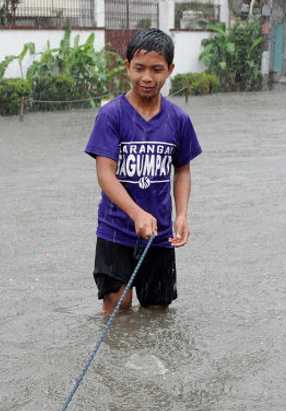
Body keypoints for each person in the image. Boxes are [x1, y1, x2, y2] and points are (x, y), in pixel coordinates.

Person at [84, 28, 202, 314]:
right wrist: (136, 213)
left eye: (156, 69)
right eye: (139, 69)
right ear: (127, 67)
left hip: (159, 237)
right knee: (117, 311)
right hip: (116, 232)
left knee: (157, 314)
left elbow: (182, 169)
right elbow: (105, 174)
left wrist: (182, 215)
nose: (147, 78)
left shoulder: (179, 119)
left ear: (170, 70)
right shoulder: (112, 115)